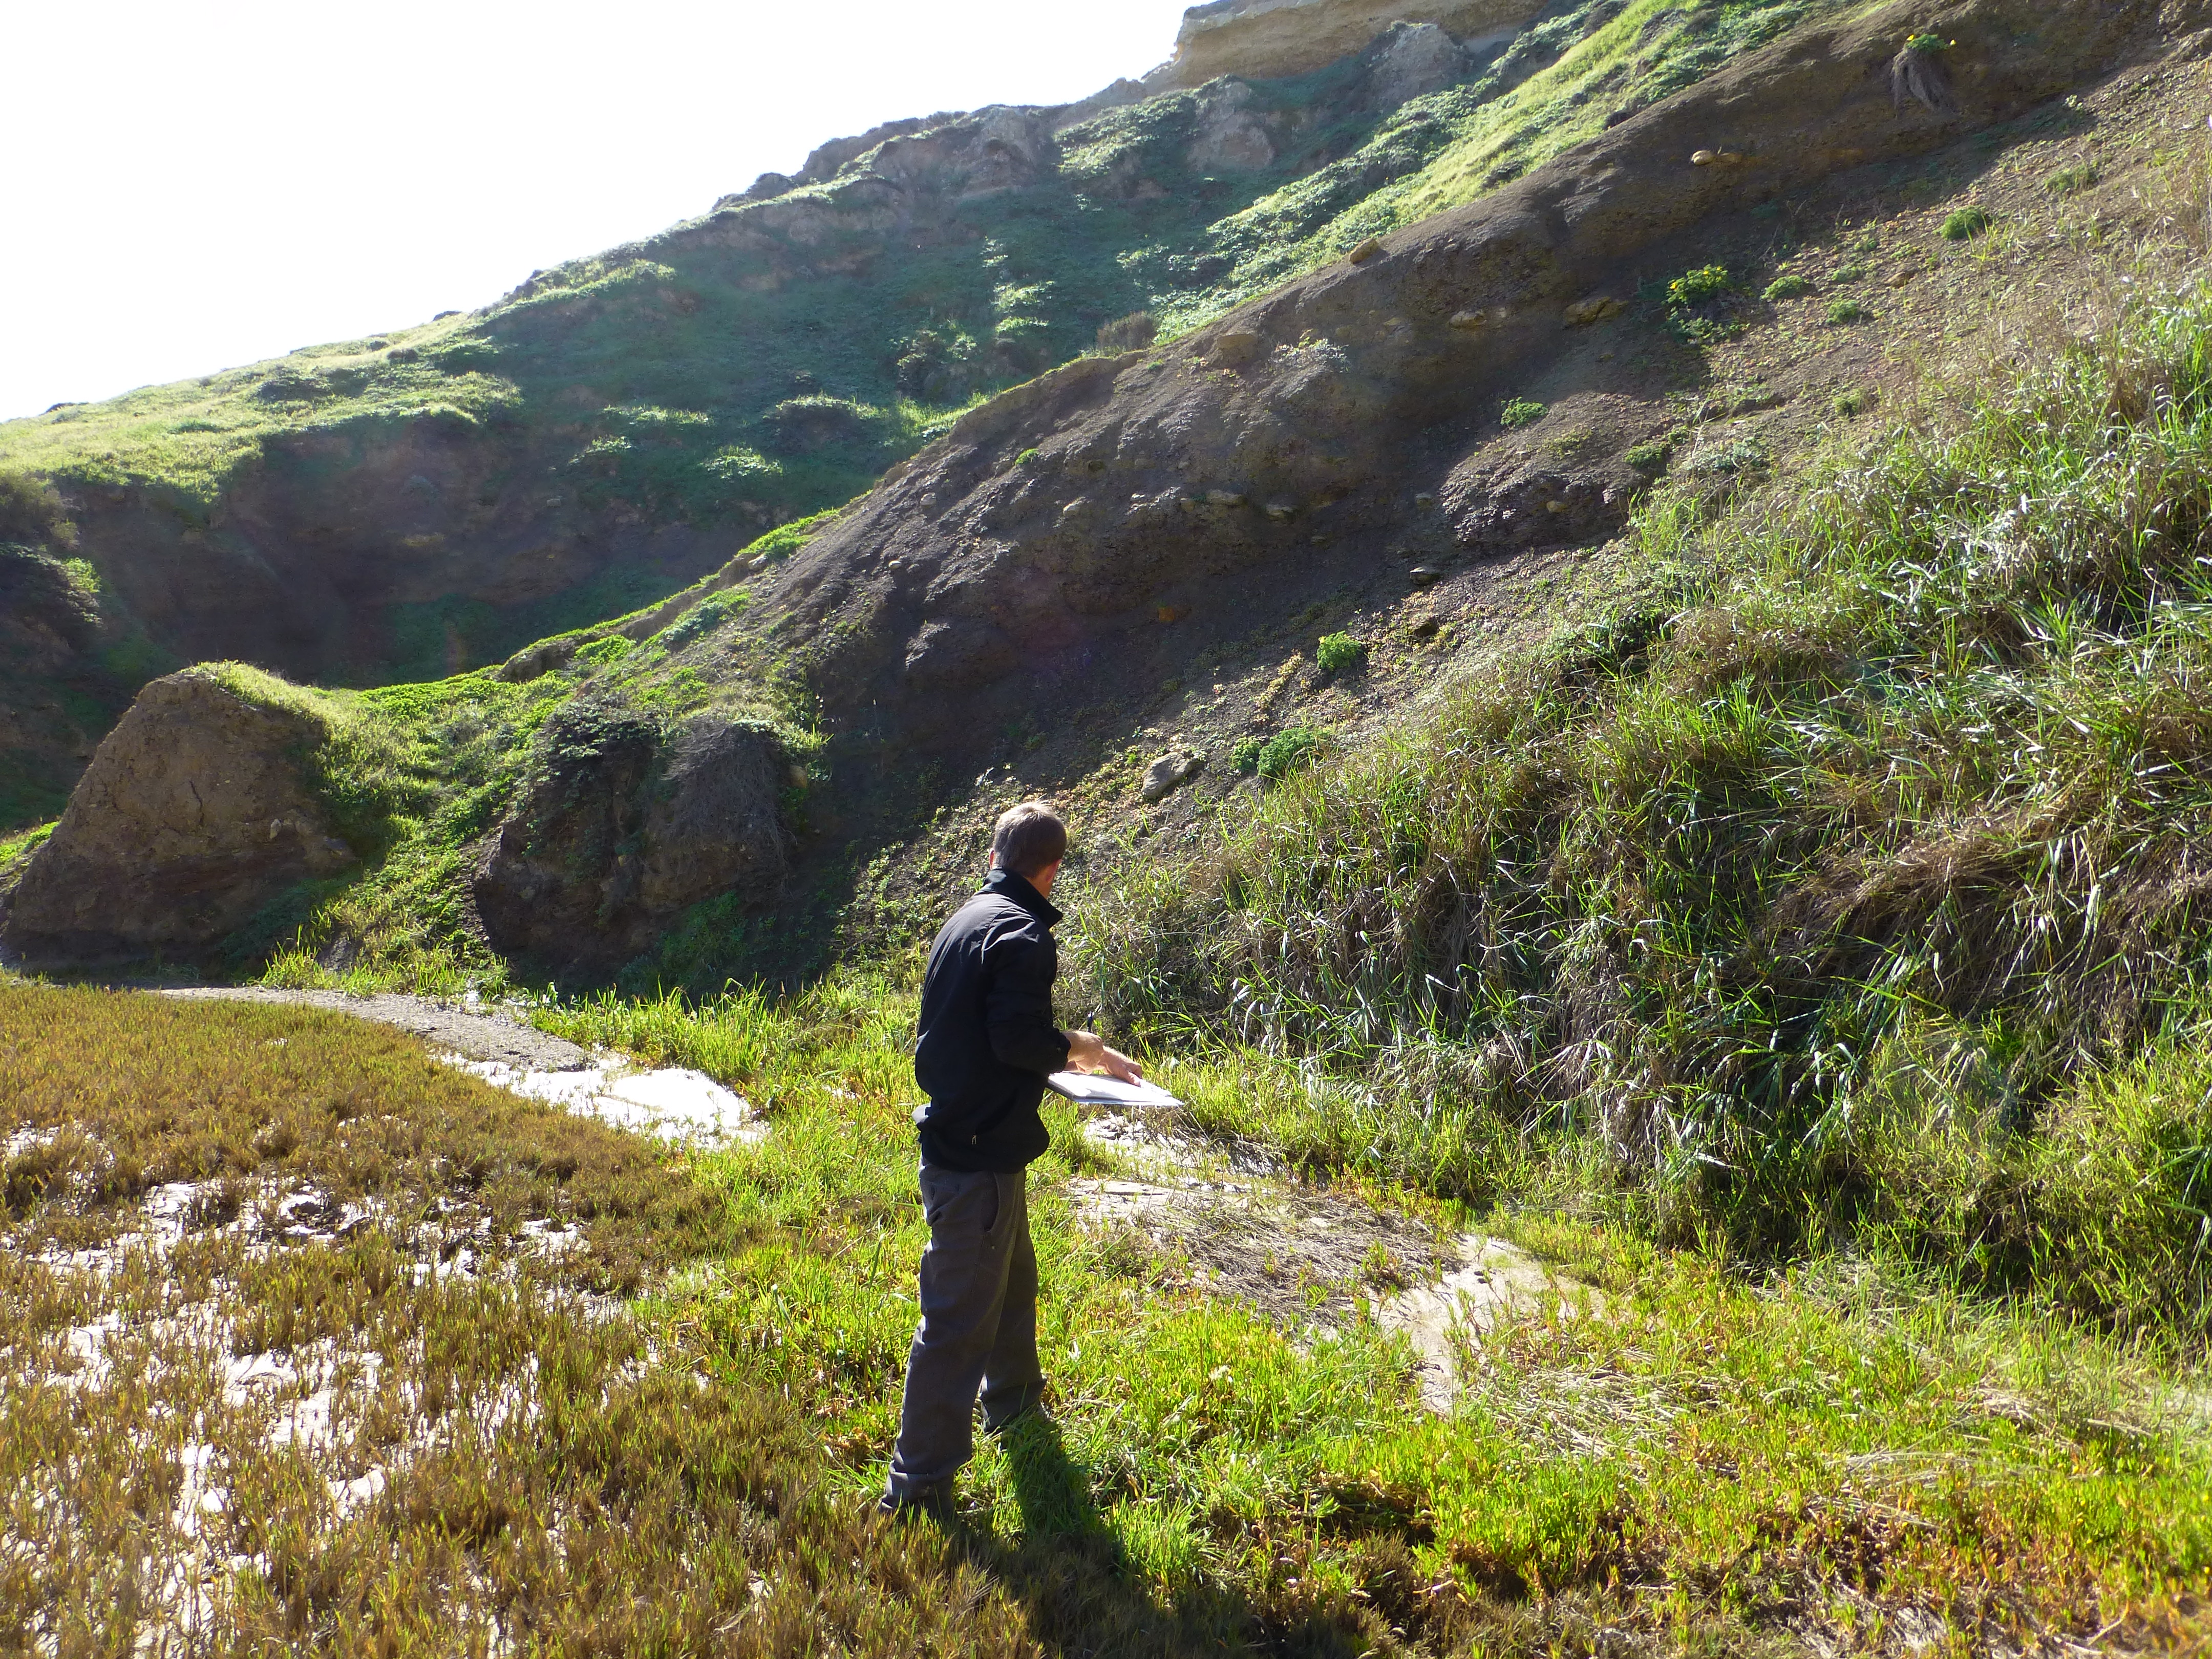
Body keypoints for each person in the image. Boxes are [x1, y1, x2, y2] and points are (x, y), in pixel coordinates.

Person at [879, 800, 1141, 1518]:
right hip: (977, 1160)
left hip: (971, 1141)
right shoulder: (1023, 934)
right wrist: (1082, 1049)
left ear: (996, 856)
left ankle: (1015, 1405)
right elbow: (1019, 1041)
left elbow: (992, 1031)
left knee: (1014, 1282)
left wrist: (1080, 1052)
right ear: (1051, 870)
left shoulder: (968, 918)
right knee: (956, 1322)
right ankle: (917, 1488)